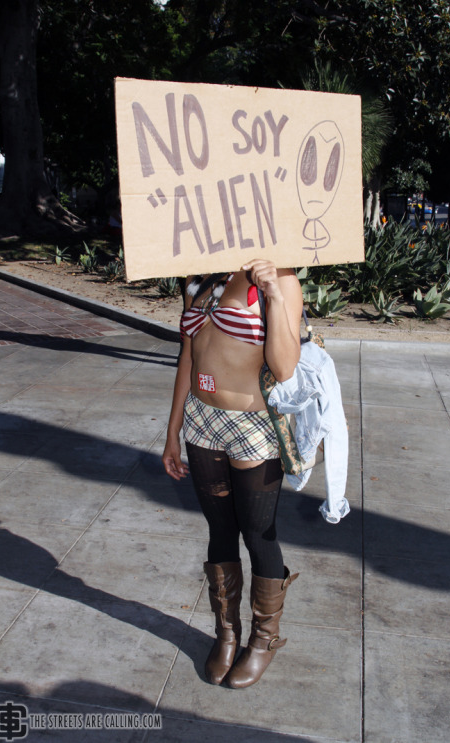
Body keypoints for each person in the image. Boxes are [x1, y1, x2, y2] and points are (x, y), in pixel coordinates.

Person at [162, 259, 303, 688]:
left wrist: (275, 297)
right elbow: (187, 354)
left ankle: (263, 639)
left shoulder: (279, 278)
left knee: (259, 534)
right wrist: (172, 431)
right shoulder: (197, 274)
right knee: (219, 529)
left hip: (253, 425)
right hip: (202, 421)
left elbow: (284, 368)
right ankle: (227, 633)